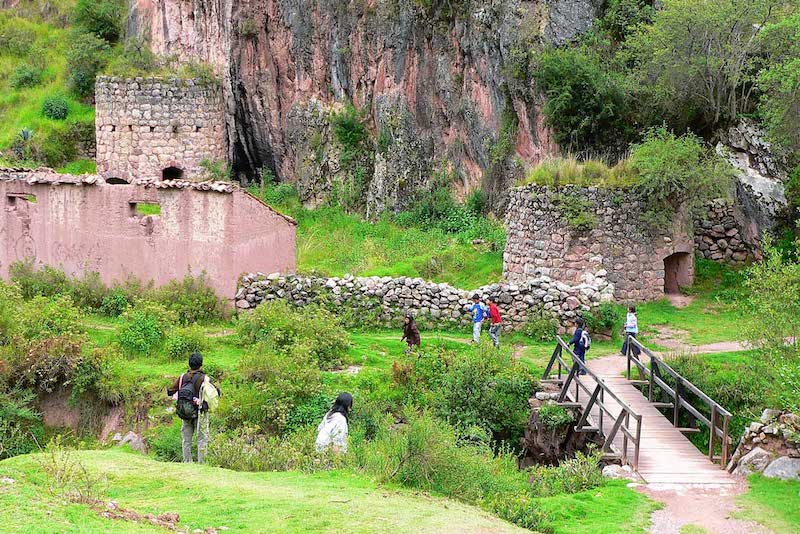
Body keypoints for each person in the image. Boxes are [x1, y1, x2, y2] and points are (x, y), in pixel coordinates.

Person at [166, 352, 220, 464]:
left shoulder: (182, 377)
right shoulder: (204, 378)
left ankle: (187, 462)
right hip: (200, 412)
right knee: (202, 439)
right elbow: (216, 392)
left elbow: (170, 391)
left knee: (186, 440)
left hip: (185, 412)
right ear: (201, 364)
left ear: (189, 364)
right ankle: (202, 464)